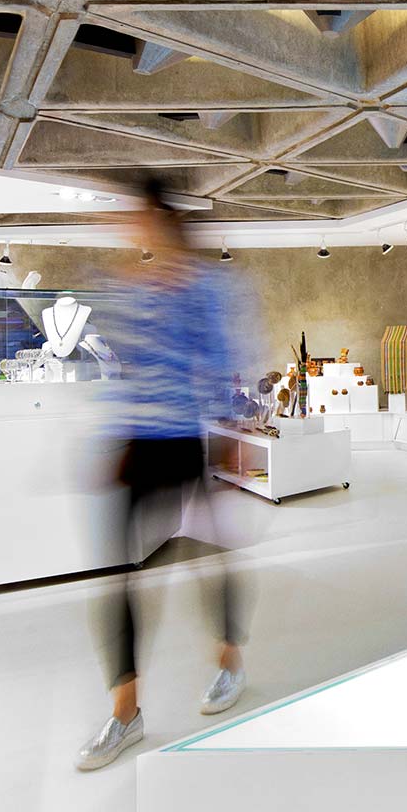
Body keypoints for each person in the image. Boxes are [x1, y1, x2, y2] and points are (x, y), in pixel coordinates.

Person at [76, 180, 252, 771]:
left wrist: (230, 444)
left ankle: (230, 664)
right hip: (134, 444)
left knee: (209, 558)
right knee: (117, 575)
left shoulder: (202, 285)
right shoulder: (128, 284)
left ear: (163, 220)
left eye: (140, 217)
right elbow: (117, 363)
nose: (132, 228)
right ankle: (126, 713)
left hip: (182, 441)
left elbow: (223, 359)